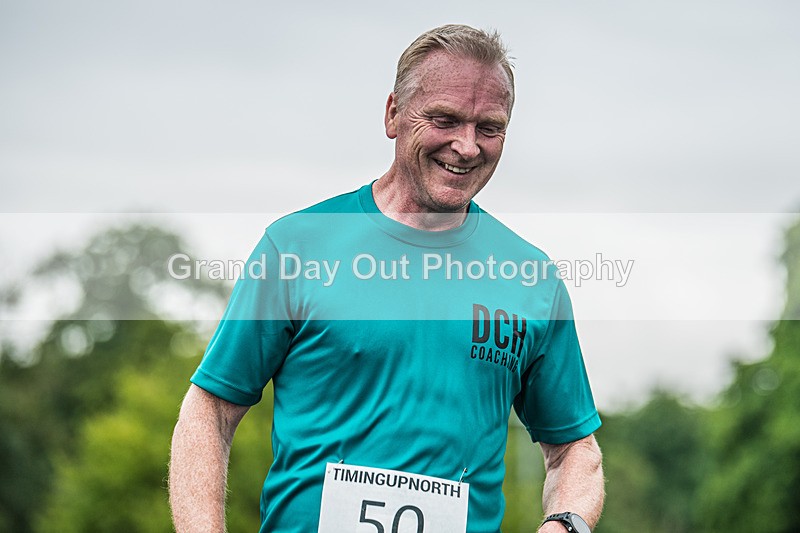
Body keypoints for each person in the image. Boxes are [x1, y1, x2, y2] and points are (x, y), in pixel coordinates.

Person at [169, 24, 604, 533]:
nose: (466, 146)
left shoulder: (532, 279)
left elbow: (575, 449)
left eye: (489, 127)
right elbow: (210, 410)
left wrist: (566, 525)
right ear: (393, 113)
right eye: (445, 119)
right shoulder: (297, 246)